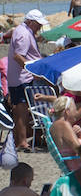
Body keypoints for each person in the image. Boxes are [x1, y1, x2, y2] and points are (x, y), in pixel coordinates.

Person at [7, 9, 47, 152]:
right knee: (21, 110)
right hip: (22, 78)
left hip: (20, 77)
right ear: (30, 22)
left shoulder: (23, 31)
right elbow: (18, 56)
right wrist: (33, 71)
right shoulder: (23, 33)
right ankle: (22, 142)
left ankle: (21, 140)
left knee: (21, 110)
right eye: (38, 24)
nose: (40, 27)